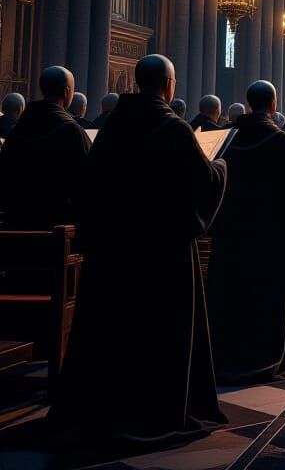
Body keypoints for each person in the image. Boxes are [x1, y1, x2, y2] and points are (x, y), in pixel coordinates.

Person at [51, 55, 227, 444]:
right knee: (158, 333)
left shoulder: (111, 127)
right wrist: (222, 169)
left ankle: (109, 403)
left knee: (115, 330)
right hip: (162, 255)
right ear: (168, 84)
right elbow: (203, 181)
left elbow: (87, 187)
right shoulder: (174, 129)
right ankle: (154, 406)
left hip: (114, 253)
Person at [206, 80, 285, 382]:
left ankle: (227, 351)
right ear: (273, 105)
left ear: (248, 103)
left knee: (233, 292)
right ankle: (266, 352)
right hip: (270, 234)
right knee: (267, 295)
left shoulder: (228, 138)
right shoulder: (280, 141)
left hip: (232, 232)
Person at [0, 67, 90, 228]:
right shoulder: (73, 132)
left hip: (17, 223)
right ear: (67, 91)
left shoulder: (17, 132)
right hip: (59, 228)